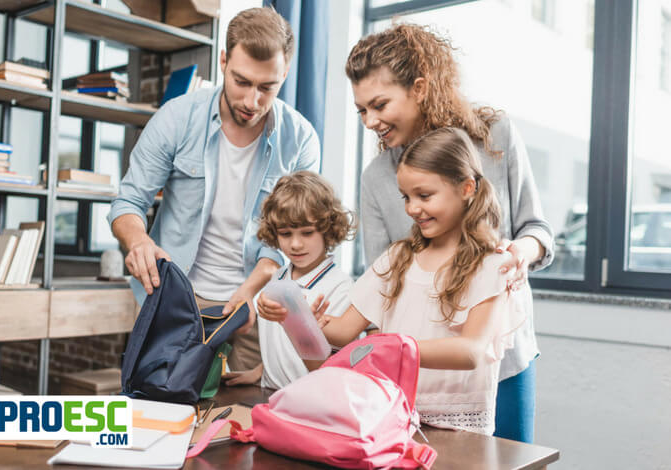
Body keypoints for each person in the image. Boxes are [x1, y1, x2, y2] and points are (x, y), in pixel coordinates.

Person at [345, 24, 552, 443]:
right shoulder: (377, 178)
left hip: (503, 360)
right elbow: (382, 285)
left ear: (419, 88)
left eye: (379, 104)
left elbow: (538, 231)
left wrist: (519, 253)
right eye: (361, 110)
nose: (370, 121)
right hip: (423, 376)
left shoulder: (497, 138)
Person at [261, 127, 529, 436]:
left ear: (467, 188)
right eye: (406, 197)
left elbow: (471, 352)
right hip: (391, 419)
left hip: (457, 432)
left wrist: (396, 347)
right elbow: (345, 331)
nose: (412, 208)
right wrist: (296, 318)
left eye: (424, 196)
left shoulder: (493, 265)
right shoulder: (397, 258)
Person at [107, 7, 321, 373]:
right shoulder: (176, 117)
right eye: (242, 82)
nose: (252, 102)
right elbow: (129, 201)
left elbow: (288, 239)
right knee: (161, 407)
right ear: (223, 61)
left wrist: (251, 292)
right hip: (174, 298)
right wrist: (139, 242)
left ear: (284, 74)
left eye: (267, 87)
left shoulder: (300, 139)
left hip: (254, 303)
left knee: (241, 418)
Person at [223, 171, 356, 389]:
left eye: (307, 233)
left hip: (309, 400)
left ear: (328, 230)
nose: (295, 244)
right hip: (268, 392)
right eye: (285, 234)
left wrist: (298, 319)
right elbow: (280, 346)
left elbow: (331, 365)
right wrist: (260, 372)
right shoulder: (278, 276)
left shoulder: (341, 287)